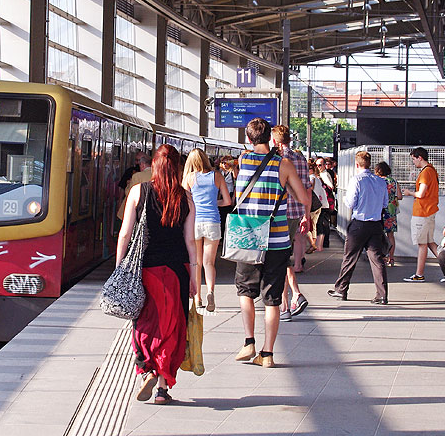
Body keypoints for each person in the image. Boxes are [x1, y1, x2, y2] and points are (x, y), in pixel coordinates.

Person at [117, 144, 198, 405]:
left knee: (145, 323)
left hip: (145, 270)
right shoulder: (185, 197)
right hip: (176, 271)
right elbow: (190, 241)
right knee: (173, 325)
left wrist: (120, 268)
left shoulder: (138, 191)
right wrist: (196, 277)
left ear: (154, 164)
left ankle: (147, 369)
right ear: (176, 166)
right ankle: (162, 387)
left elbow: (125, 234)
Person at [233, 118, 311, 368]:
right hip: (277, 240)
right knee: (272, 298)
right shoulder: (284, 164)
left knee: (245, 291)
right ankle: (267, 354)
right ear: (270, 138)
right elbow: (302, 197)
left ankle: (248, 342)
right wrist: (287, 193)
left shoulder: (243, 160)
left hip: (248, 238)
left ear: (248, 139)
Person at [328, 150, 390, 304]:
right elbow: (385, 203)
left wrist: (342, 198)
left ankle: (341, 290)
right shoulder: (381, 181)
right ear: (369, 164)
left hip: (359, 224)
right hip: (376, 225)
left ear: (356, 164)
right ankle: (382, 295)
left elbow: (350, 203)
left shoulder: (356, 180)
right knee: (377, 259)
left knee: (350, 258)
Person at [181, 148, 231, 312]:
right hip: (213, 222)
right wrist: (213, 204)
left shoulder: (189, 178)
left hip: (194, 223)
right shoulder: (217, 176)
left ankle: (198, 298)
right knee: (209, 263)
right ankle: (210, 292)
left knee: (196, 262)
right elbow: (227, 201)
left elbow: (184, 202)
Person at [270, 125, 311, 321]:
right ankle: (289, 301)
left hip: (280, 213)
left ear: (275, 141)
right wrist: (306, 215)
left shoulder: (278, 160)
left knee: (281, 259)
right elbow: (307, 189)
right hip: (296, 213)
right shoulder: (301, 159)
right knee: (284, 256)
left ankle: (291, 299)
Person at [402, 147, 439, 282]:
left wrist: (409, 193)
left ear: (420, 158)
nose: (413, 162)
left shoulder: (425, 173)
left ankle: (419, 274)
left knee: (422, 243)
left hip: (422, 212)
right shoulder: (432, 170)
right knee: (430, 242)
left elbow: (421, 194)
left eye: (413, 159)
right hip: (430, 211)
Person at [374, 162, 402, 267]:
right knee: (391, 235)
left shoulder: (377, 181)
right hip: (391, 210)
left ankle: (382, 257)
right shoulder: (393, 181)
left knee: (379, 235)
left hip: (379, 210)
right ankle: (391, 257)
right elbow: (399, 196)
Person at [117, 152, 152, 220]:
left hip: (133, 211)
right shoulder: (157, 175)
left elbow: (128, 193)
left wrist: (128, 184)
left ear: (142, 164)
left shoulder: (137, 176)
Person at [309, 158, 330, 254]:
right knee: (317, 225)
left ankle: (314, 244)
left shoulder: (312, 178)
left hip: (314, 205)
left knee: (313, 226)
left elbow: (310, 189)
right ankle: (318, 245)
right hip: (320, 204)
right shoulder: (318, 178)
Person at [318, 157, 336, 248]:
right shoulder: (323, 174)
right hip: (326, 201)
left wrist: (323, 185)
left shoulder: (324, 174)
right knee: (324, 222)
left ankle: (324, 242)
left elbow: (331, 186)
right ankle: (324, 242)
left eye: (320, 165)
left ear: (324, 165)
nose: (318, 167)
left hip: (326, 202)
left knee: (323, 222)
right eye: (316, 165)